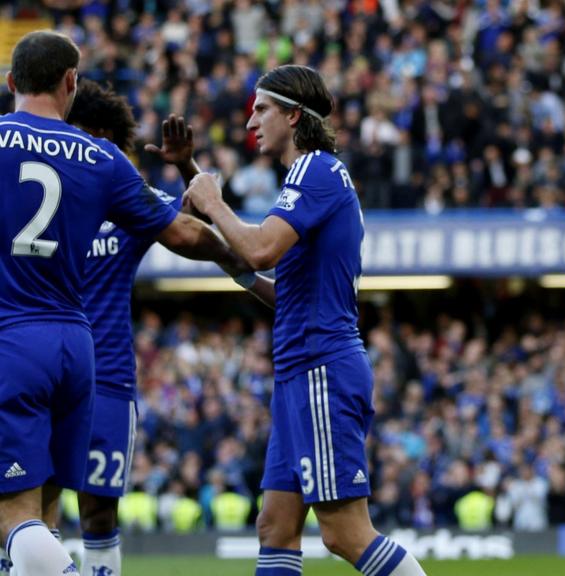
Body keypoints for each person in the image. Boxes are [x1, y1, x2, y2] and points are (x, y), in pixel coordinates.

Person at [0, 31, 243, 576]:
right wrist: (244, 259)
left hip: (12, 338)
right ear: (71, 83)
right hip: (77, 349)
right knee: (45, 514)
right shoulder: (101, 157)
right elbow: (183, 234)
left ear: (11, 82)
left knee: (11, 516)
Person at [186, 64, 427, 576]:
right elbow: (286, 287)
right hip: (302, 370)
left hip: (321, 367)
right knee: (275, 525)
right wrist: (237, 270)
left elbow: (261, 249)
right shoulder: (314, 177)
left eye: (262, 109)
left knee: (344, 533)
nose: (251, 121)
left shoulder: (314, 169)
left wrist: (214, 203)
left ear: (294, 115)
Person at [52, 79, 254, 576]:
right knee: (36, 501)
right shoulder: (43, 190)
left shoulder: (127, 197)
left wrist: (190, 168)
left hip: (107, 379)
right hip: (48, 364)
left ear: (97, 133)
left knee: (98, 511)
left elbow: (193, 222)